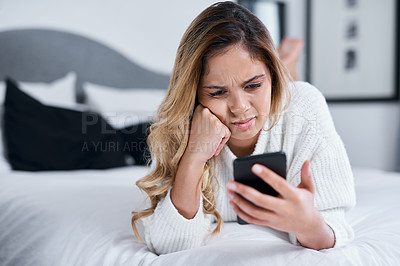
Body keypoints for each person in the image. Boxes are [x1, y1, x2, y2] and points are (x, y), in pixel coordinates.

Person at [131, 1, 355, 255]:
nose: (239, 108)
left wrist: (309, 224)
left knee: (291, 99)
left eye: (253, 86)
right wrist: (194, 155)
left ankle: (288, 66)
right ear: (194, 94)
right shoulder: (177, 126)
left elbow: (335, 230)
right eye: (217, 92)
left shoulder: (306, 107)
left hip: (288, 99)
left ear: (271, 75)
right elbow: (169, 245)